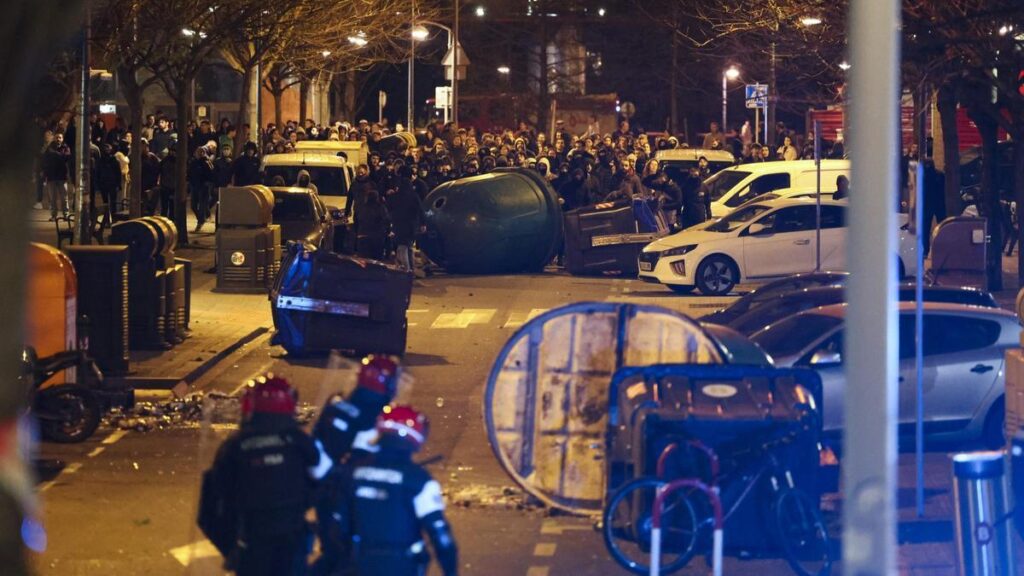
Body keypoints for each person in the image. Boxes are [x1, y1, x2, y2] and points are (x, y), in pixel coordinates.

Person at [199, 377, 330, 576]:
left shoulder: (235, 446)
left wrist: (231, 548)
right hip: (292, 542)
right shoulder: (300, 441)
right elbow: (325, 481)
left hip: (251, 543)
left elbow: (211, 506)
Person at [336, 405, 458, 576]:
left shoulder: (353, 472)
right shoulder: (418, 480)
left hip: (360, 565)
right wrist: (451, 572)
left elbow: (338, 523)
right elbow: (440, 536)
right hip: (401, 566)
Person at [311, 356, 403, 575]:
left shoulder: (336, 406)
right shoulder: (378, 418)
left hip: (324, 496)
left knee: (331, 554)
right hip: (356, 502)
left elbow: (314, 449)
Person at [386, 166, 426, 272]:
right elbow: (420, 209)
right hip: (412, 225)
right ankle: (411, 269)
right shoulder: (414, 195)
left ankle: (406, 270)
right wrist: (423, 223)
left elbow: (390, 207)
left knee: (402, 247)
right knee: (408, 247)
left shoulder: (396, 196)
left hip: (400, 225)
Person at [42, 134, 71, 221]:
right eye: (57, 137)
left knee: (64, 198)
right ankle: (54, 215)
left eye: (60, 137)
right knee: (52, 198)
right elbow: (45, 161)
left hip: (62, 176)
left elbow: (65, 158)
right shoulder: (49, 149)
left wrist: (54, 154)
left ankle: (66, 215)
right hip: (51, 176)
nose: (58, 139)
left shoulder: (65, 148)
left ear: (62, 139)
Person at [189, 146, 215, 232]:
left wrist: (208, 182)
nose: (199, 154)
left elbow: (211, 174)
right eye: (198, 152)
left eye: (201, 152)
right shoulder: (193, 162)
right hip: (194, 186)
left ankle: (200, 222)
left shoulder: (206, 162)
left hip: (203, 187)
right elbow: (190, 173)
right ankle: (203, 217)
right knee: (193, 205)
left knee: (202, 206)